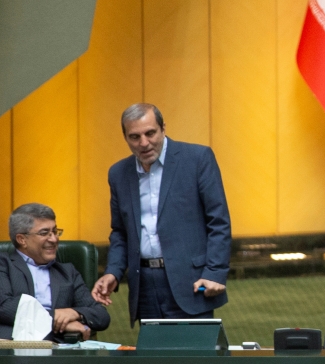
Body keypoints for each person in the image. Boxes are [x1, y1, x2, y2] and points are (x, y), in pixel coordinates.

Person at [91, 103, 231, 325]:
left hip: (192, 283)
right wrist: (113, 272)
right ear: (125, 137)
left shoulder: (197, 159)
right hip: (144, 286)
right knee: (152, 359)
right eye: (135, 137)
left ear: (163, 128)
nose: (144, 143)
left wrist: (214, 273)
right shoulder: (118, 173)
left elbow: (218, 222)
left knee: (193, 359)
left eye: (150, 133)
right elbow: (120, 231)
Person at [0, 203, 110, 340]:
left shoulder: (66, 272)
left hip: (57, 351)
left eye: (55, 231)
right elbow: (3, 308)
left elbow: (101, 316)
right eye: (44, 233)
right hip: (11, 347)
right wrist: (55, 319)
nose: (54, 239)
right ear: (22, 239)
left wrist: (74, 313)